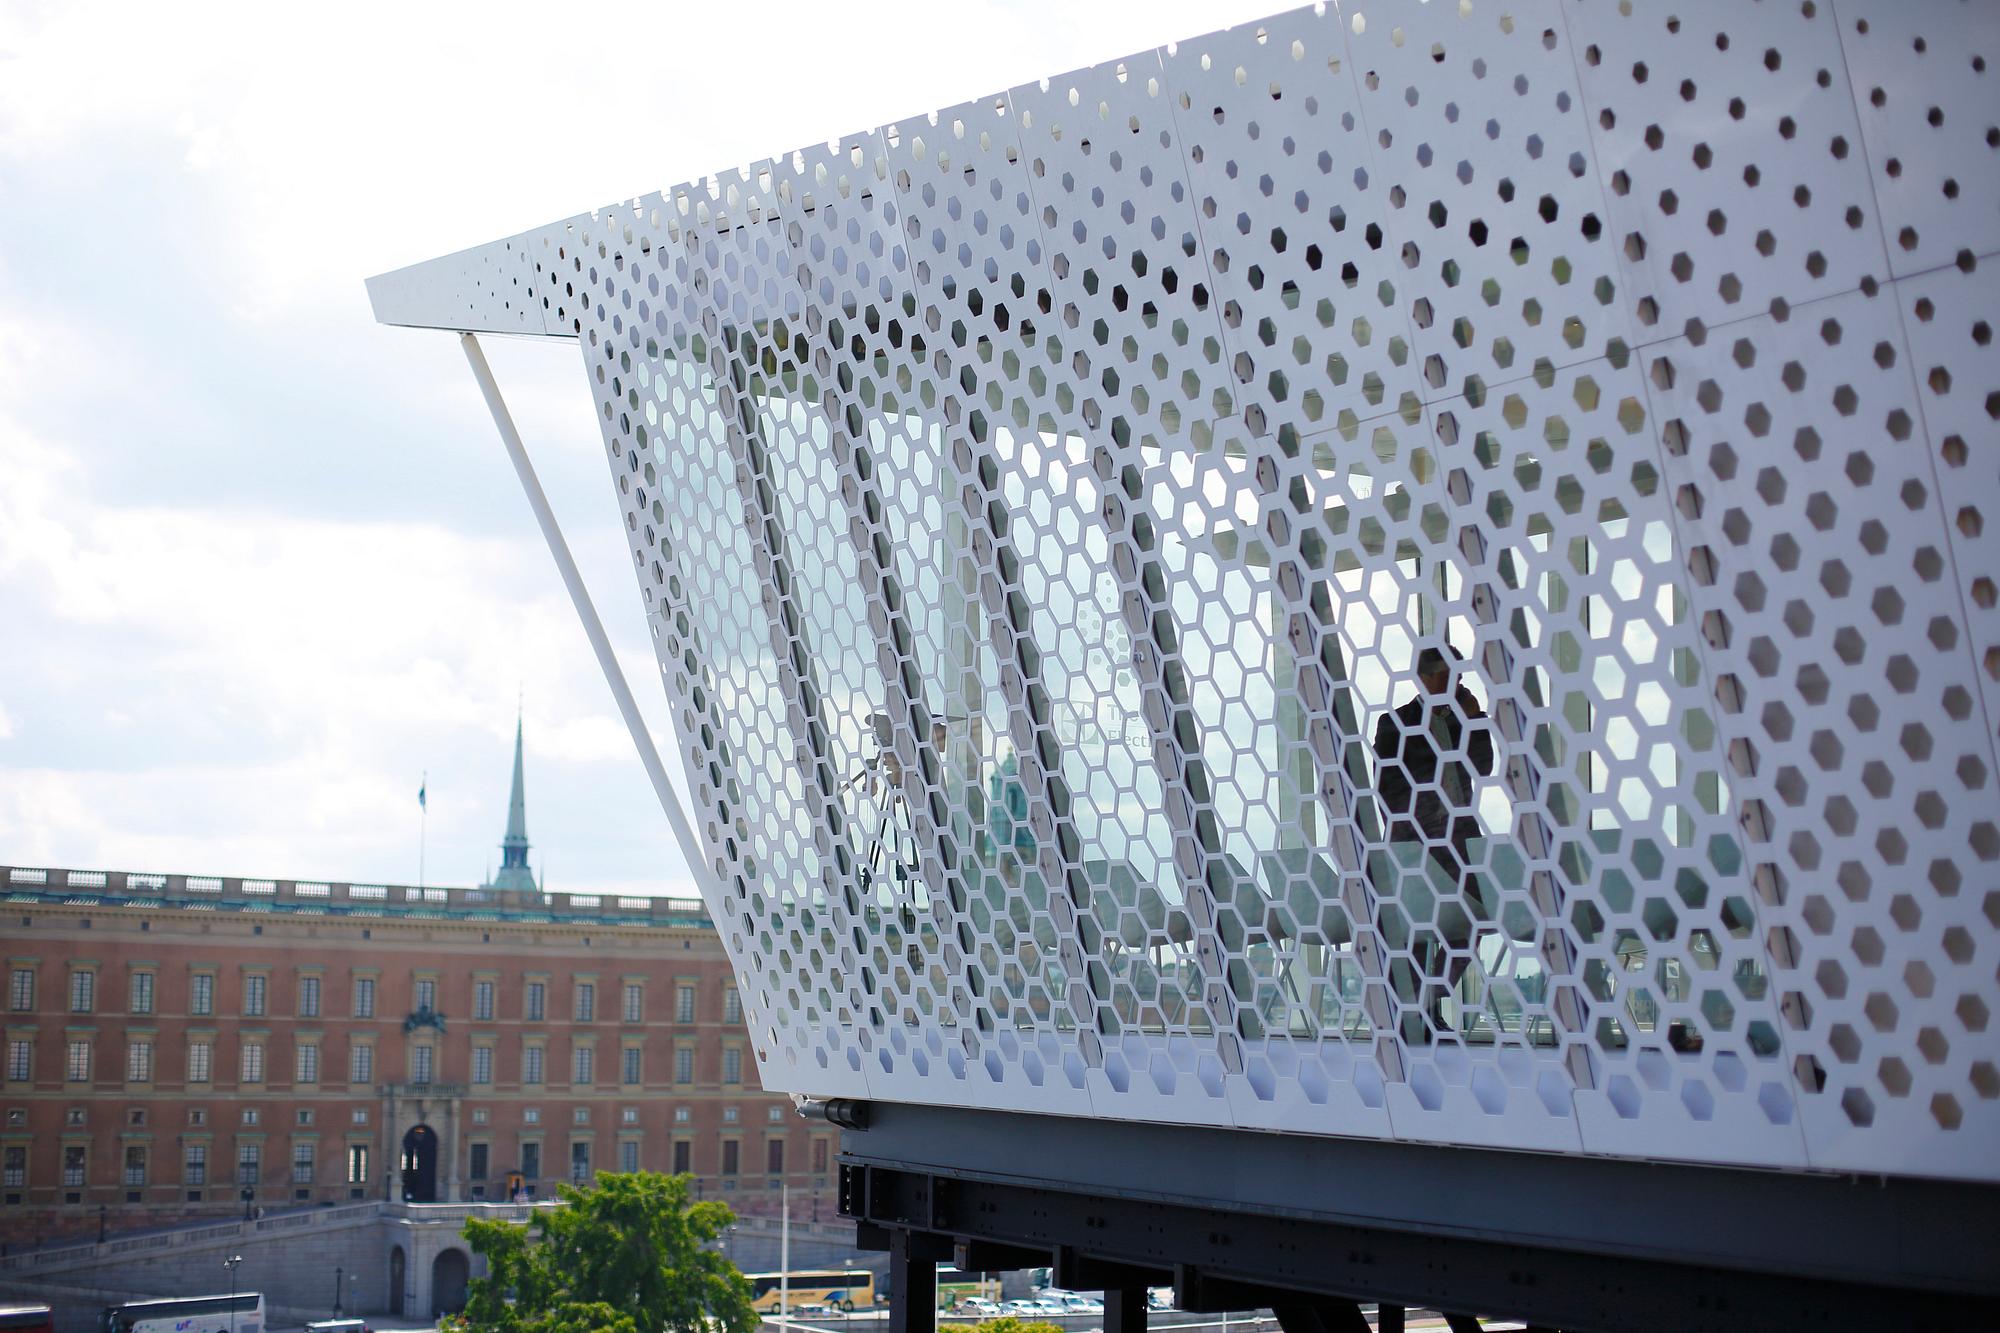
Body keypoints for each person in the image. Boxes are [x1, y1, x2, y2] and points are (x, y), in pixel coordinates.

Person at [1373, 645, 1496, 1036]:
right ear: (1423, 678)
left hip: (1460, 843)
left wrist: (1474, 720)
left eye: (1457, 674)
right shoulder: (1395, 724)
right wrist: (1422, 825)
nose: (1454, 682)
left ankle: (1424, 1001)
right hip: (1415, 841)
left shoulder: (1464, 718)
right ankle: (1419, 1014)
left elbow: (1484, 767)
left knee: (1476, 919)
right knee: (1419, 932)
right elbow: (1386, 786)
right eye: (1445, 675)